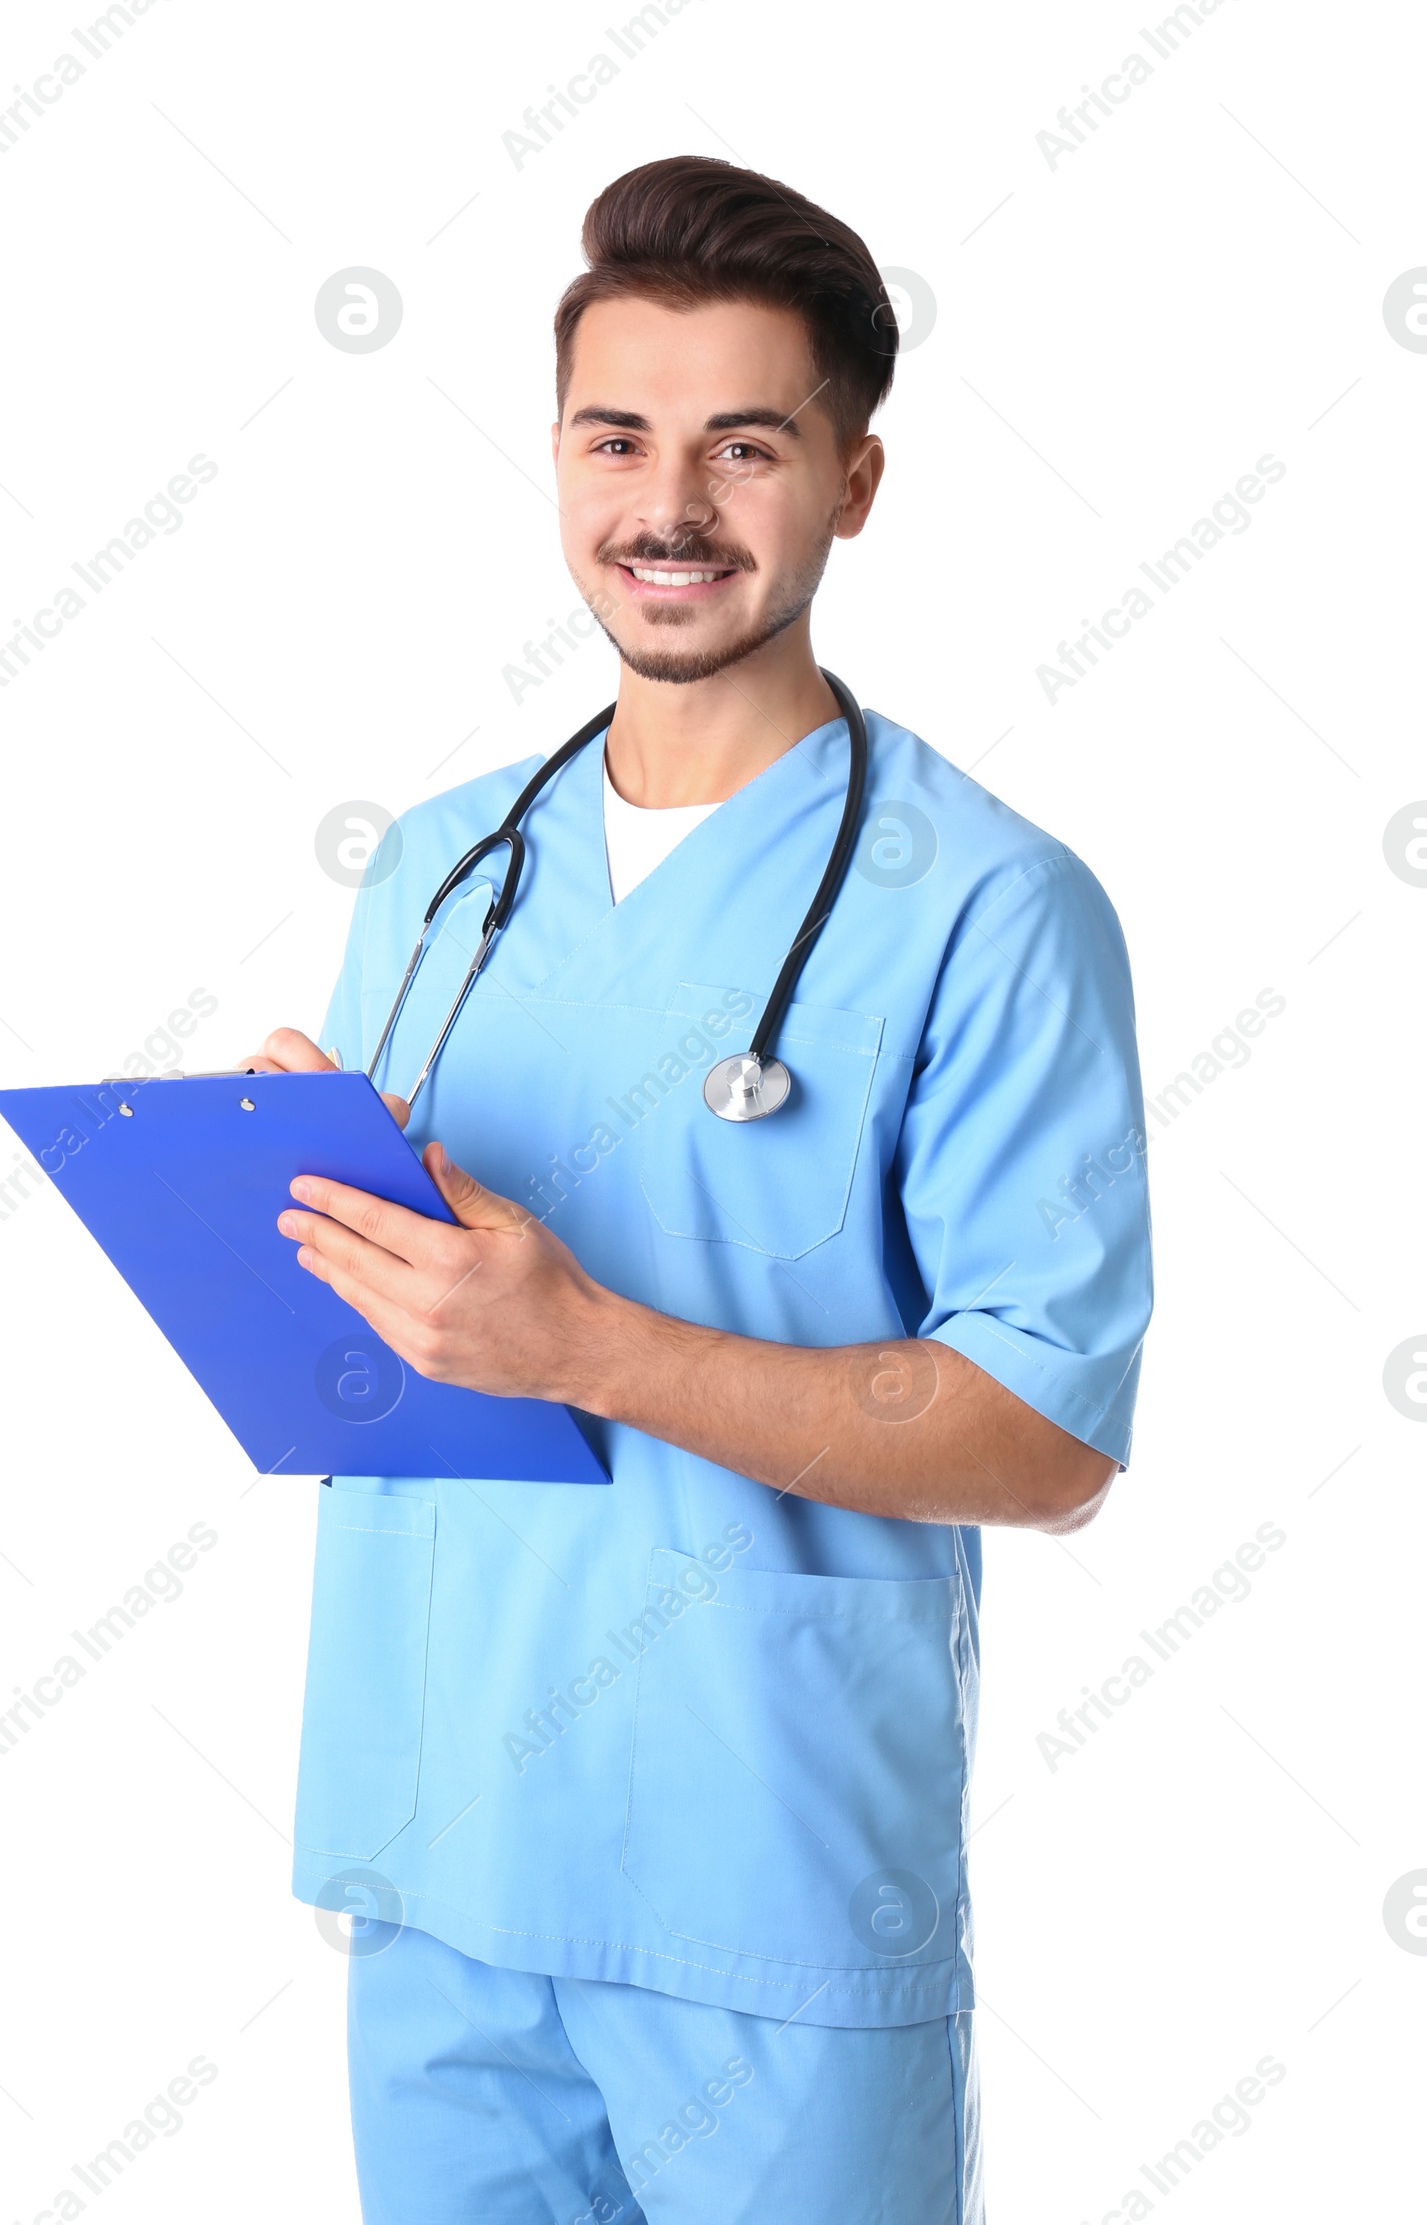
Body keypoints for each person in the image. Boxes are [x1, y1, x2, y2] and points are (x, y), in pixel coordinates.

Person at [246, 154, 1152, 2225]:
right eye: (614, 439)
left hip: (761, 1877)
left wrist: (587, 1344)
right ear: (556, 461)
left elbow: (1045, 1440)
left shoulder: (989, 909)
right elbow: (394, 1354)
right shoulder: (443, 872)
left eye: (744, 445)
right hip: (435, 1852)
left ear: (852, 480)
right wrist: (283, 1225)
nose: (668, 505)